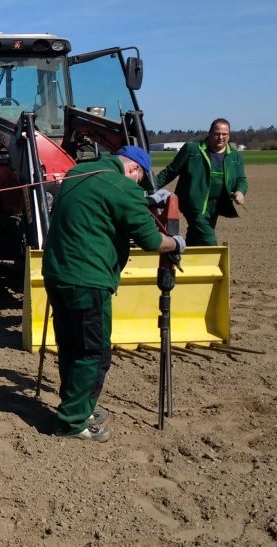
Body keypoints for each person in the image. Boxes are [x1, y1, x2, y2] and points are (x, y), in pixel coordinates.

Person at [42, 145, 184, 442]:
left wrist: (140, 199)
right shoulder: (123, 187)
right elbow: (149, 240)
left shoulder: (78, 172)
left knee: (71, 345)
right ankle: (71, 422)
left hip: (57, 275)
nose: (137, 186)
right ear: (134, 170)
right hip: (88, 280)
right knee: (94, 353)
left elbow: (101, 201)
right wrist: (176, 243)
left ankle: (77, 406)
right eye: (139, 181)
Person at [154, 118, 248, 246]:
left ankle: (186, 261)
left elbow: (241, 180)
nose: (221, 137)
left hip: (216, 205)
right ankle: (213, 262)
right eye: (217, 133)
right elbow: (170, 172)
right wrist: (148, 187)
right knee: (208, 238)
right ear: (209, 133)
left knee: (195, 237)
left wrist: (240, 191)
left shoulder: (235, 157)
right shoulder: (192, 150)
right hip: (194, 203)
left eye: (224, 134)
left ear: (229, 135)